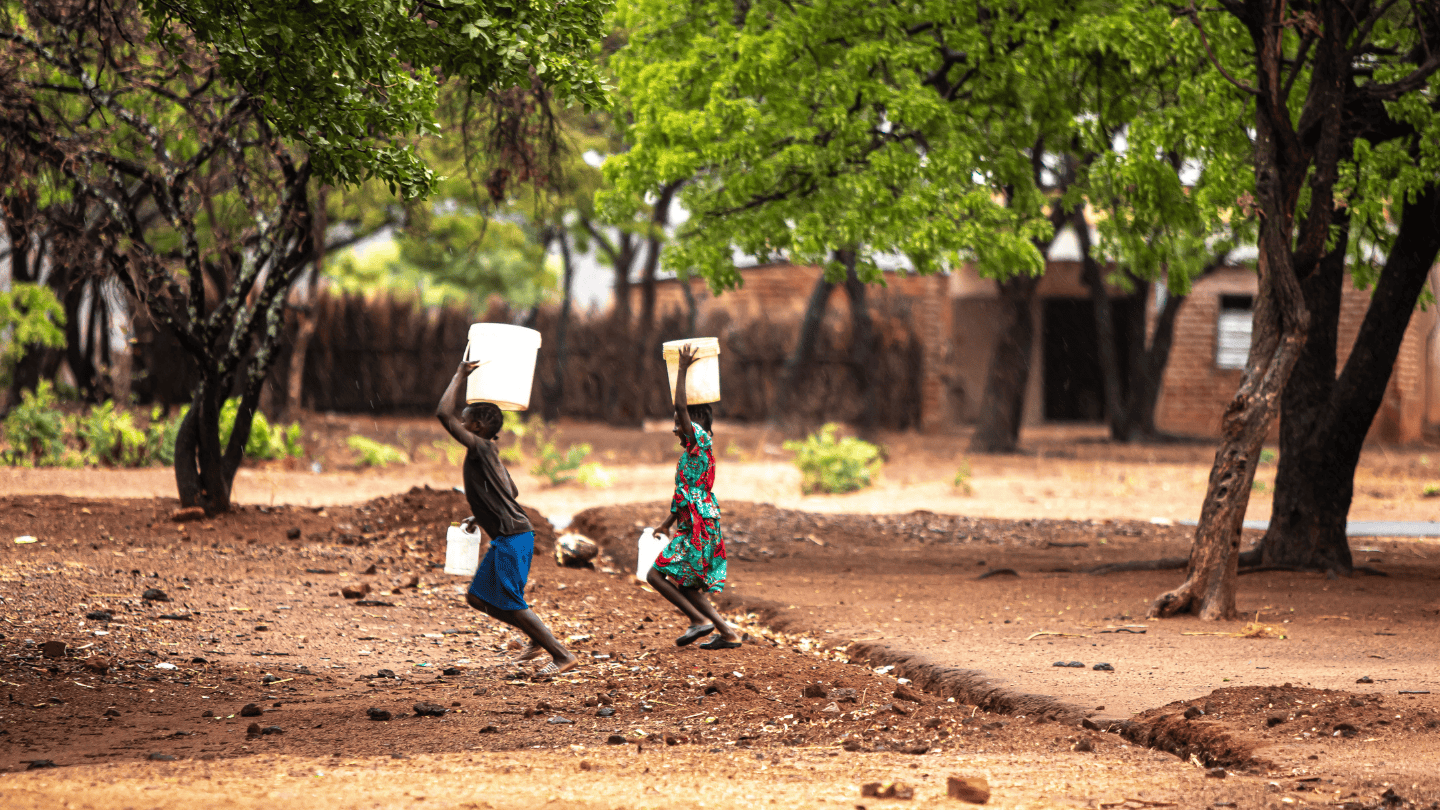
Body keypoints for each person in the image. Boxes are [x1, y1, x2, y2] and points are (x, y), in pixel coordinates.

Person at [437, 358, 577, 677]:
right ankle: (537, 639)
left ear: (477, 427)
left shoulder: (481, 448)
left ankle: (562, 654)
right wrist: (480, 515)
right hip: (511, 536)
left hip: (513, 538)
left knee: (511, 600)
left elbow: (442, 414)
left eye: (465, 419)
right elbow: (510, 491)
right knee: (477, 597)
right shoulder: (490, 453)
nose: (460, 421)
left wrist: (459, 374)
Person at [647, 344, 743, 650]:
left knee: (655, 575)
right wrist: (665, 524)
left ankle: (699, 621)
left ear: (695, 421)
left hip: (699, 527)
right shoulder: (695, 451)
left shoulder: (699, 439)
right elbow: (686, 495)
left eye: (679, 423)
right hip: (696, 524)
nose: (676, 428)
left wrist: (683, 369)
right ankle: (727, 633)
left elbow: (680, 406)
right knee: (687, 584)